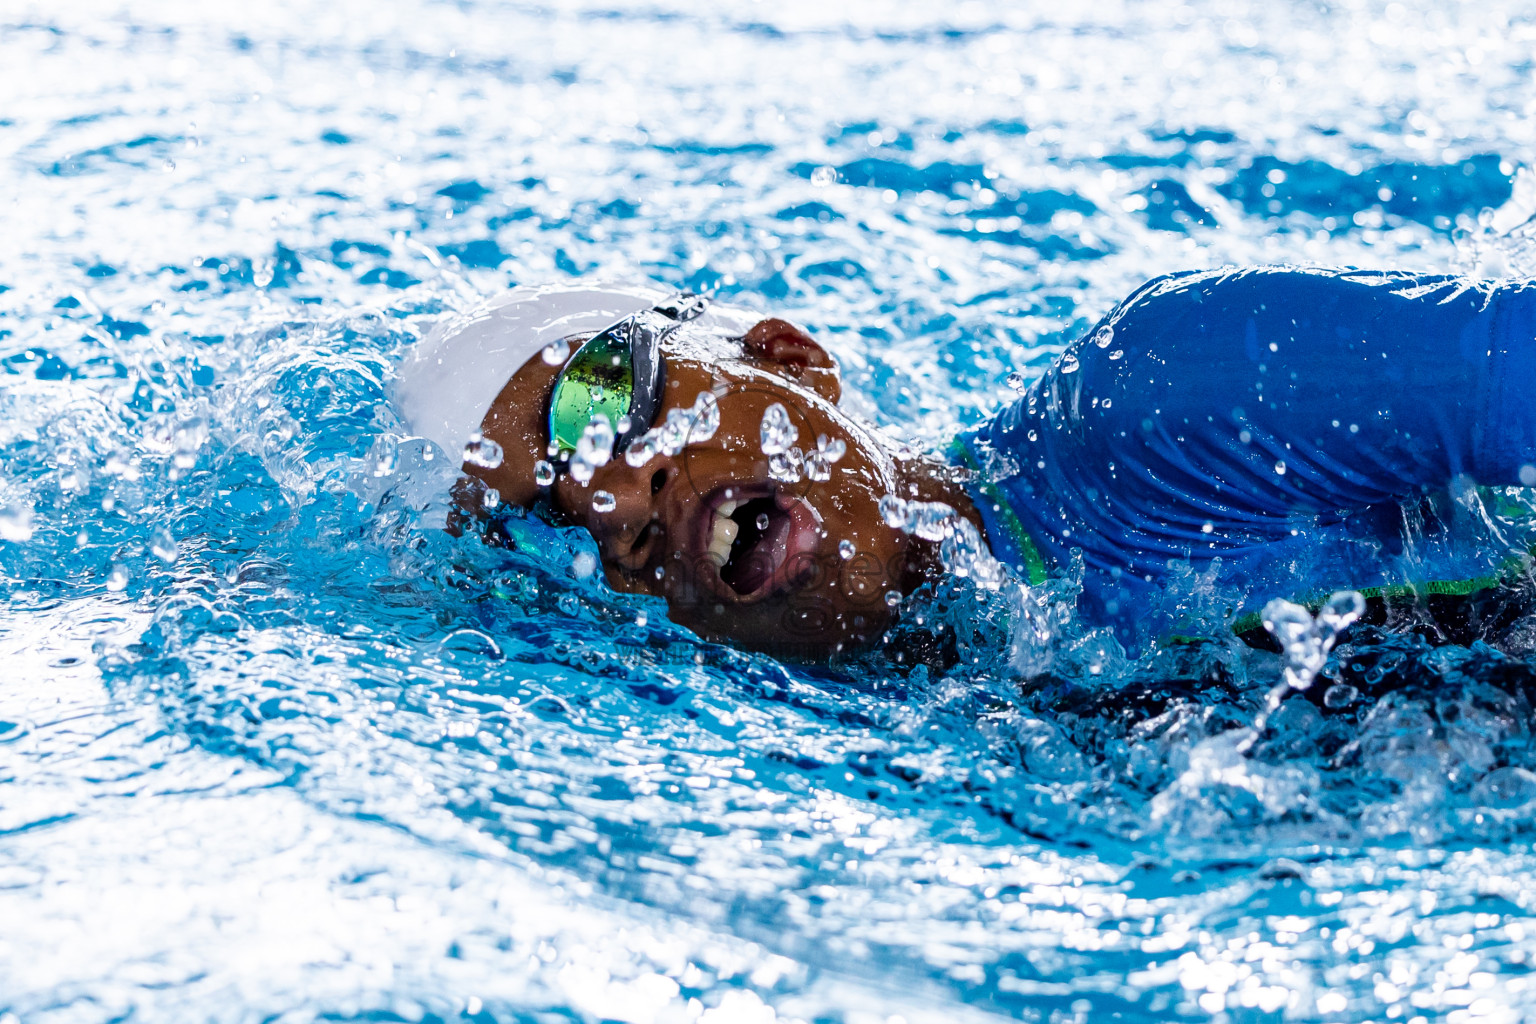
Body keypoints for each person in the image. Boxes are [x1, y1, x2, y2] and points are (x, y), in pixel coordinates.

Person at [394, 267, 1536, 660]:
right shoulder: (861, 729)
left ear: (790, 358)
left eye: (603, 396)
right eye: (546, 517)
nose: (613, 500)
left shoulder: (1169, 397)